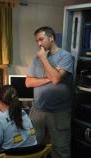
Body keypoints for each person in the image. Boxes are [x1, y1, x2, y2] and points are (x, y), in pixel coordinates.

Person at [25, 26, 74, 158]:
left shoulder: (66, 57)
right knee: (33, 147)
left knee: (60, 150)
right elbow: (28, 82)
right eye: (37, 41)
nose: (39, 43)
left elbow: (57, 79)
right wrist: (48, 78)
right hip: (37, 110)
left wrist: (44, 60)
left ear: (51, 38)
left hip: (59, 113)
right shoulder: (37, 58)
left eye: (41, 39)